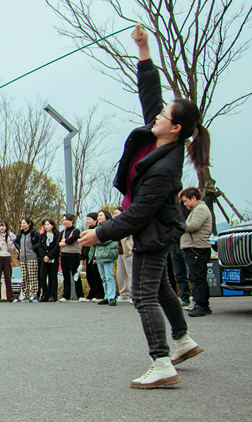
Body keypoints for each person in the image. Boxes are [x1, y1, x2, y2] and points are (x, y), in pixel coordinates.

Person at [80, 23, 208, 389]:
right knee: (163, 286)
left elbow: (139, 215)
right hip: (151, 225)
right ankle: (183, 340)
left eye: (164, 117)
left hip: (154, 232)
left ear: (176, 129)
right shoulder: (159, 134)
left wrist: (99, 232)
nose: (156, 117)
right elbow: (150, 94)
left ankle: (162, 361)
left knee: (143, 294)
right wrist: (144, 50)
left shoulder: (167, 168)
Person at [179, 187, 213, 317]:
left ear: (194, 198)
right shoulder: (196, 209)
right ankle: (203, 303)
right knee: (196, 276)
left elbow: (193, 226)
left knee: (197, 277)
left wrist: (178, 225)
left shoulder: (200, 209)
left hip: (197, 248)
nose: (185, 204)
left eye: (186, 201)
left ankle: (200, 304)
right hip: (194, 247)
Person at [89, 210, 119, 306]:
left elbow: (106, 240)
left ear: (106, 216)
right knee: (103, 278)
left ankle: (112, 297)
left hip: (107, 255)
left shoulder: (110, 226)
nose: (99, 217)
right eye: (98, 216)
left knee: (109, 276)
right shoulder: (98, 228)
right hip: (99, 256)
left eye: (101, 215)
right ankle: (106, 296)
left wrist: (95, 239)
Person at [171, 194, 192, 307]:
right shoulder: (170, 206)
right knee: (178, 274)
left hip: (186, 242)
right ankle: (184, 298)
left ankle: (197, 299)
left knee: (190, 272)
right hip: (174, 244)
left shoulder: (187, 207)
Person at [13, 217, 40, 302]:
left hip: (32, 257)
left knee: (32, 276)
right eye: (22, 223)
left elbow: (39, 242)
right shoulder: (20, 233)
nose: (23, 225)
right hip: (22, 257)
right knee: (24, 277)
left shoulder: (34, 233)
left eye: (24, 223)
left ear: (29, 224)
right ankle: (25, 294)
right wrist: (19, 248)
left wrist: (33, 248)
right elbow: (15, 242)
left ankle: (34, 294)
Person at [58, 214, 83, 302]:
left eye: (67, 220)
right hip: (64, 255)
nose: (65, 222)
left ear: (72, 221)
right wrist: (65, 241)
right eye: (64, 220)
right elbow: (59, 243)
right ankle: (66, 295)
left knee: (75, 276)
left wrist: (65, 241)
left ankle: (80, 295)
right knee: (66, 276)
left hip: (74, 255)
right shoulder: (62, 232)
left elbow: (72, 239)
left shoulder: (76, 230)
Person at [80, 213, 104, 302]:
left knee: (97, 276)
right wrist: (82, 257)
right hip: (88, 257)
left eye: (90, 219)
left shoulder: (96, 231)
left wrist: (95, 257)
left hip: (95, 256)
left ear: (95, 221)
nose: (87, 221)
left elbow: (95, 246)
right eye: (86, 219)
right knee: (89, 276)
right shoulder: (87, 231)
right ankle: (92, 293)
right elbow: (84, 246)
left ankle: (99, 294)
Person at [112, 207, 134, 304]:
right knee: (121, 274)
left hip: (128, 250)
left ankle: (134, 294)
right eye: (114, 213)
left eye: (117, 213)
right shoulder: (115, 225)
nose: (115, 215)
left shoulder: (128, 222)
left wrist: (130, 247)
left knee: (131, 273)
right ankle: (124, 294)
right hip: (119, 252)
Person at [37, 219, 60, 302]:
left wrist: (50, 256)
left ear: (52, 225)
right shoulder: (42, 236)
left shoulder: (57, 235)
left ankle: (53, 295)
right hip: (44, 259)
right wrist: (44, 256)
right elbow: (40, 247)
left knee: (53, 277)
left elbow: (57, 247)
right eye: (45, 225)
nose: (46, 226)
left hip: (53, 258)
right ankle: (45, 295)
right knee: (42, 277)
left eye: (48, 224)